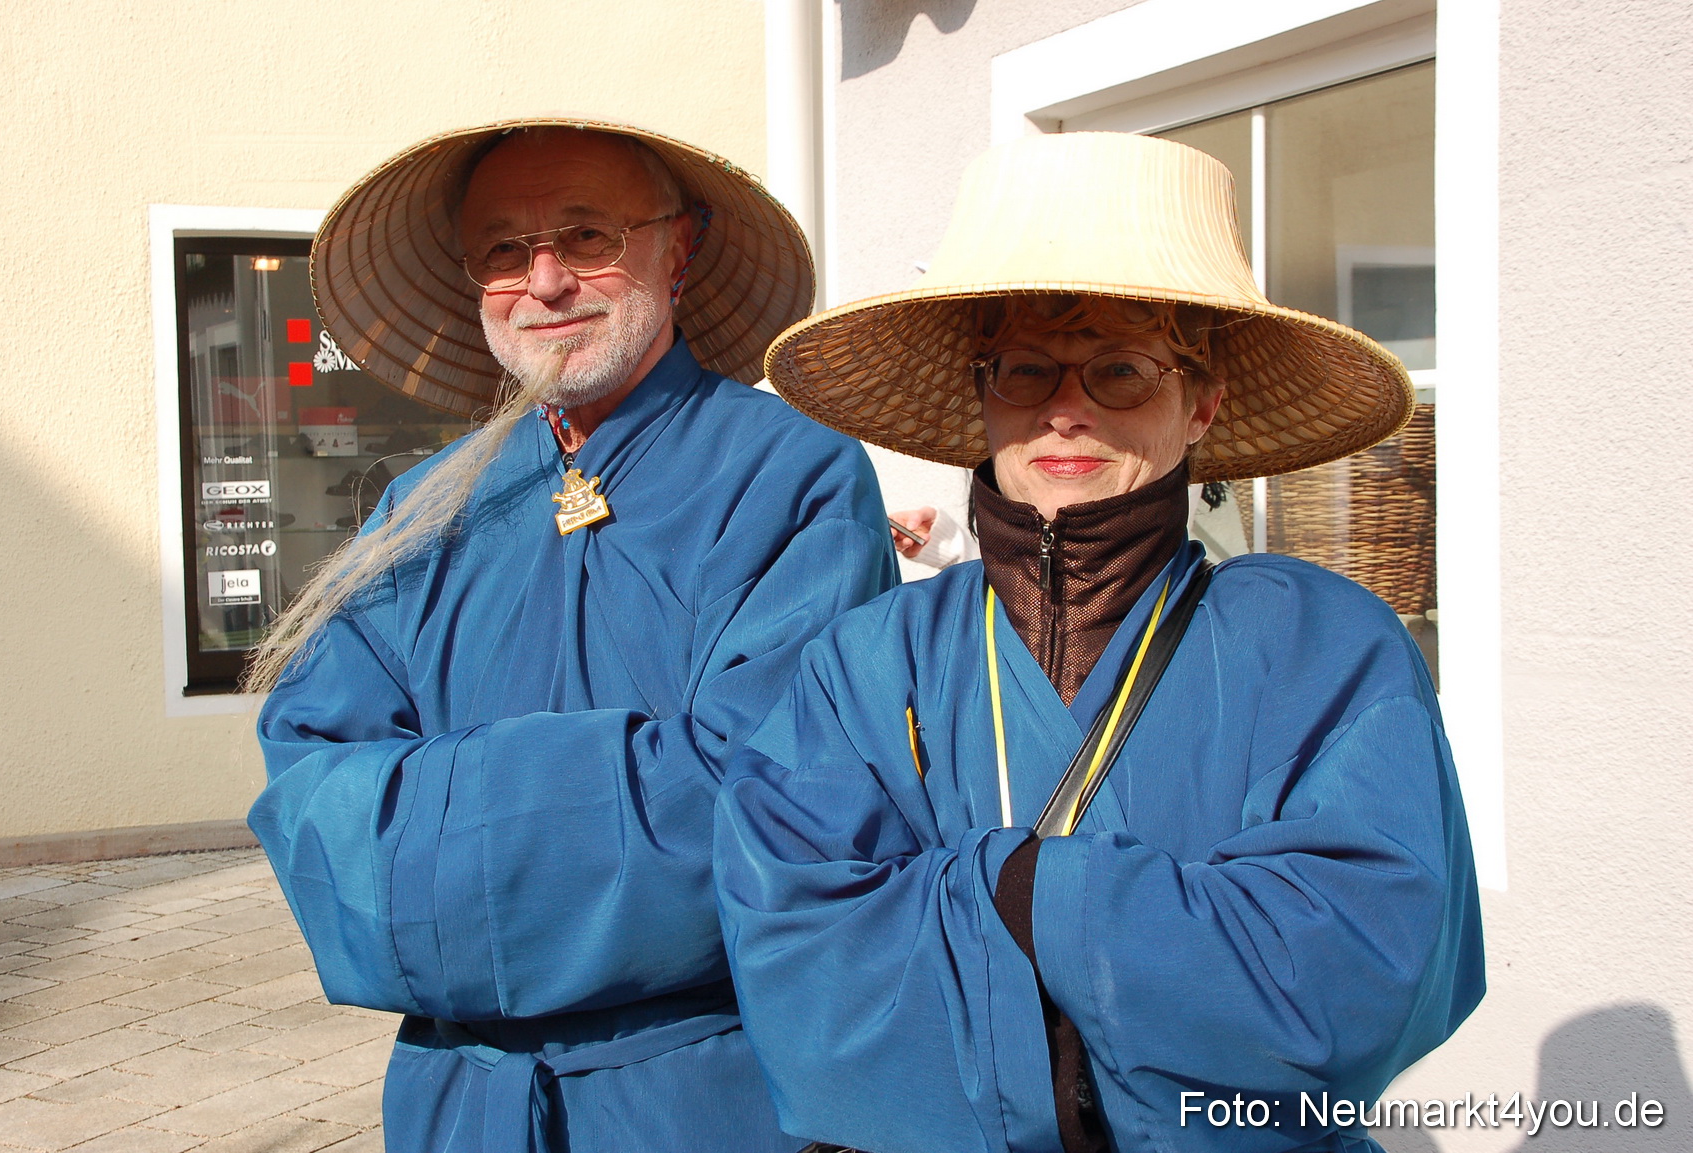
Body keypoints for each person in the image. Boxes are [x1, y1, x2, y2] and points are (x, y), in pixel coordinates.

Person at [716, 131, 1484, 1153]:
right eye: (1027, 369)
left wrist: (1028, 891)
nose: (1067, 410)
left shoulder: (1327, 648)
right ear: (981, 394)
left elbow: (1350, 977)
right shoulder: (864, 663)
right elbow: (800, 970)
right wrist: (1150, 964)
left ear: (1200, 401)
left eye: (1120, 369)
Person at [245, 120, 896, 1152]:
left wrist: (431, 811)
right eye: (504, 250)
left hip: (702, 1091)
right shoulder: (420, 506)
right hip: (457, 1099)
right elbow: (312, 800)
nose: (545, 280)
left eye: (587, 236)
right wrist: (625, 768)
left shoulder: (792, 475)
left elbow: (766, 802)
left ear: (678, 250)